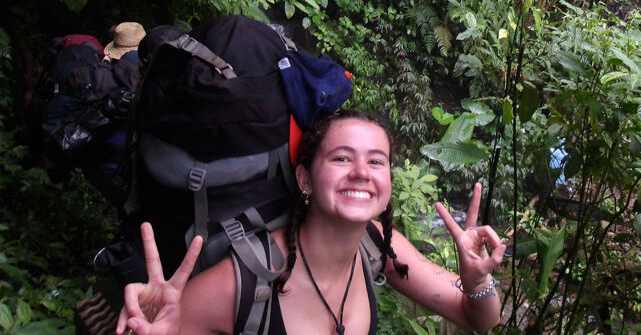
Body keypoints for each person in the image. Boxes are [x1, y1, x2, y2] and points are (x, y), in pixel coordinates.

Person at [116, 110, 506, 335]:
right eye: (341, 158)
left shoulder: (379, 245)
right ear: (304, 180)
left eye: (376, 161)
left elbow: (480, 318)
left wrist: (476, 281)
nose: (361, 172)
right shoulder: (245, 280)